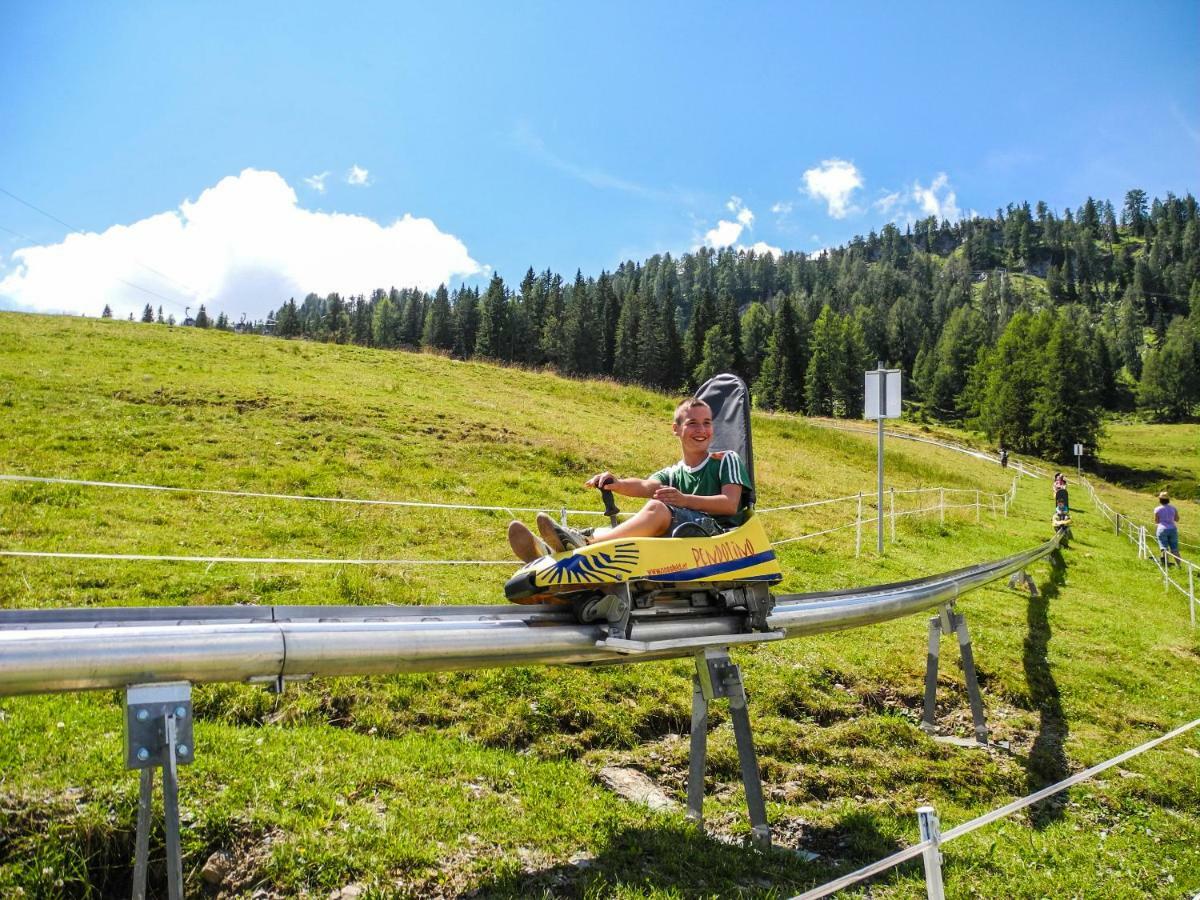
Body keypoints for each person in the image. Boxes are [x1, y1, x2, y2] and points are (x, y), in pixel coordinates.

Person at [506, 397, 752, 563]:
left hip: (720, 540)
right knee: (638, 518)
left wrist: (684, 500)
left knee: (657, 508)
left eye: (707, 423)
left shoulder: (725, 460)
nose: (702, 430)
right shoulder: (674, 472)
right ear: (676, 429)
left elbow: (730, 504)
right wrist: (618, 483)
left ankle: (584, 543)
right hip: (686, 539)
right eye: (693, 424)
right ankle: (554, 549)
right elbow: (646, 486)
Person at [1154, 490, 1182, 568]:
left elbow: (1156, 521)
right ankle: (1179, 565)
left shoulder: (1157, 509)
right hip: (1173, 529)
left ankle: (1166, 566)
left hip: (1162, 529)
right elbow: (1177, 519)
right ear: (1168, 500)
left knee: (1164, 548)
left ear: (1160, 500)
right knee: (1175, 549)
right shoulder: (1173, 508)